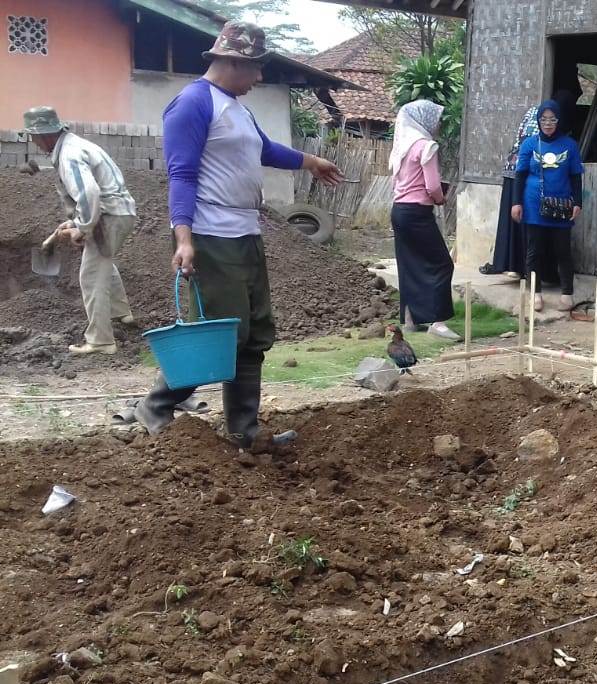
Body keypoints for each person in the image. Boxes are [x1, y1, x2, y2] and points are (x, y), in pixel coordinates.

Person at [133, 20, 343, 446]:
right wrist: (184, 238)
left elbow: (263, 149)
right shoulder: (192, 103)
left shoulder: (237, 109)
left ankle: (243, 432)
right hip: (211, 236)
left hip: (246, 233)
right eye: (255, 68)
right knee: (221, 336)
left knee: (255, 334)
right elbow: (181, 174)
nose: (260, 78)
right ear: (230, 61)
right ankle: (155, 405)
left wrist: (309, 160)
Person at [23, 106, 137, 355]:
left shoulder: (69, 155)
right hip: (119, 212)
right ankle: (122, 314)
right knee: (103, 262)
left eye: (33, 137)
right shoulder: (74, 146)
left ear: (42, 136)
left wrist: (82, 227)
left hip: (109, 216)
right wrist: (74, 222)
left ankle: (101, 341)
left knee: (90, 275)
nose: (35, 142)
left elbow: (90, 193)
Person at [479, 89, 579, 282]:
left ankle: (515, 267)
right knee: (529, 228)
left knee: (518, 228)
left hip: (513, 171)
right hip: (523, 176)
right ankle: (533, 273)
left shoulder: (535, 112)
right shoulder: (549, 124)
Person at [389, 99, 459, 340]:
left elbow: (396, 182)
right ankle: (438, 322)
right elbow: (432, 186)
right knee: (442, 264)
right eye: (437, 119)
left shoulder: (403, 146)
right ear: (425, 120)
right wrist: (441, 198)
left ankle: (410, 319)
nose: (439, 124)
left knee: (409, 264)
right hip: (418, 212)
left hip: (399, 210)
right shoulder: (426, 146)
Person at [511, 100, 584, 312]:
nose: (548, 123)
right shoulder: (529, 145)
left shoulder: (569, 145)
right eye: (544, 119)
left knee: (563, 250)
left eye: (552, 119)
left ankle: (567, 293)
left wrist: (578, 202)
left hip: (562, 204)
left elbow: (576, 176)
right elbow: (520, 175)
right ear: (538, 121)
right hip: (533, 204)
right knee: (534, 251)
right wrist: (516, 202)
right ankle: (536, 294)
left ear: (558, 120)